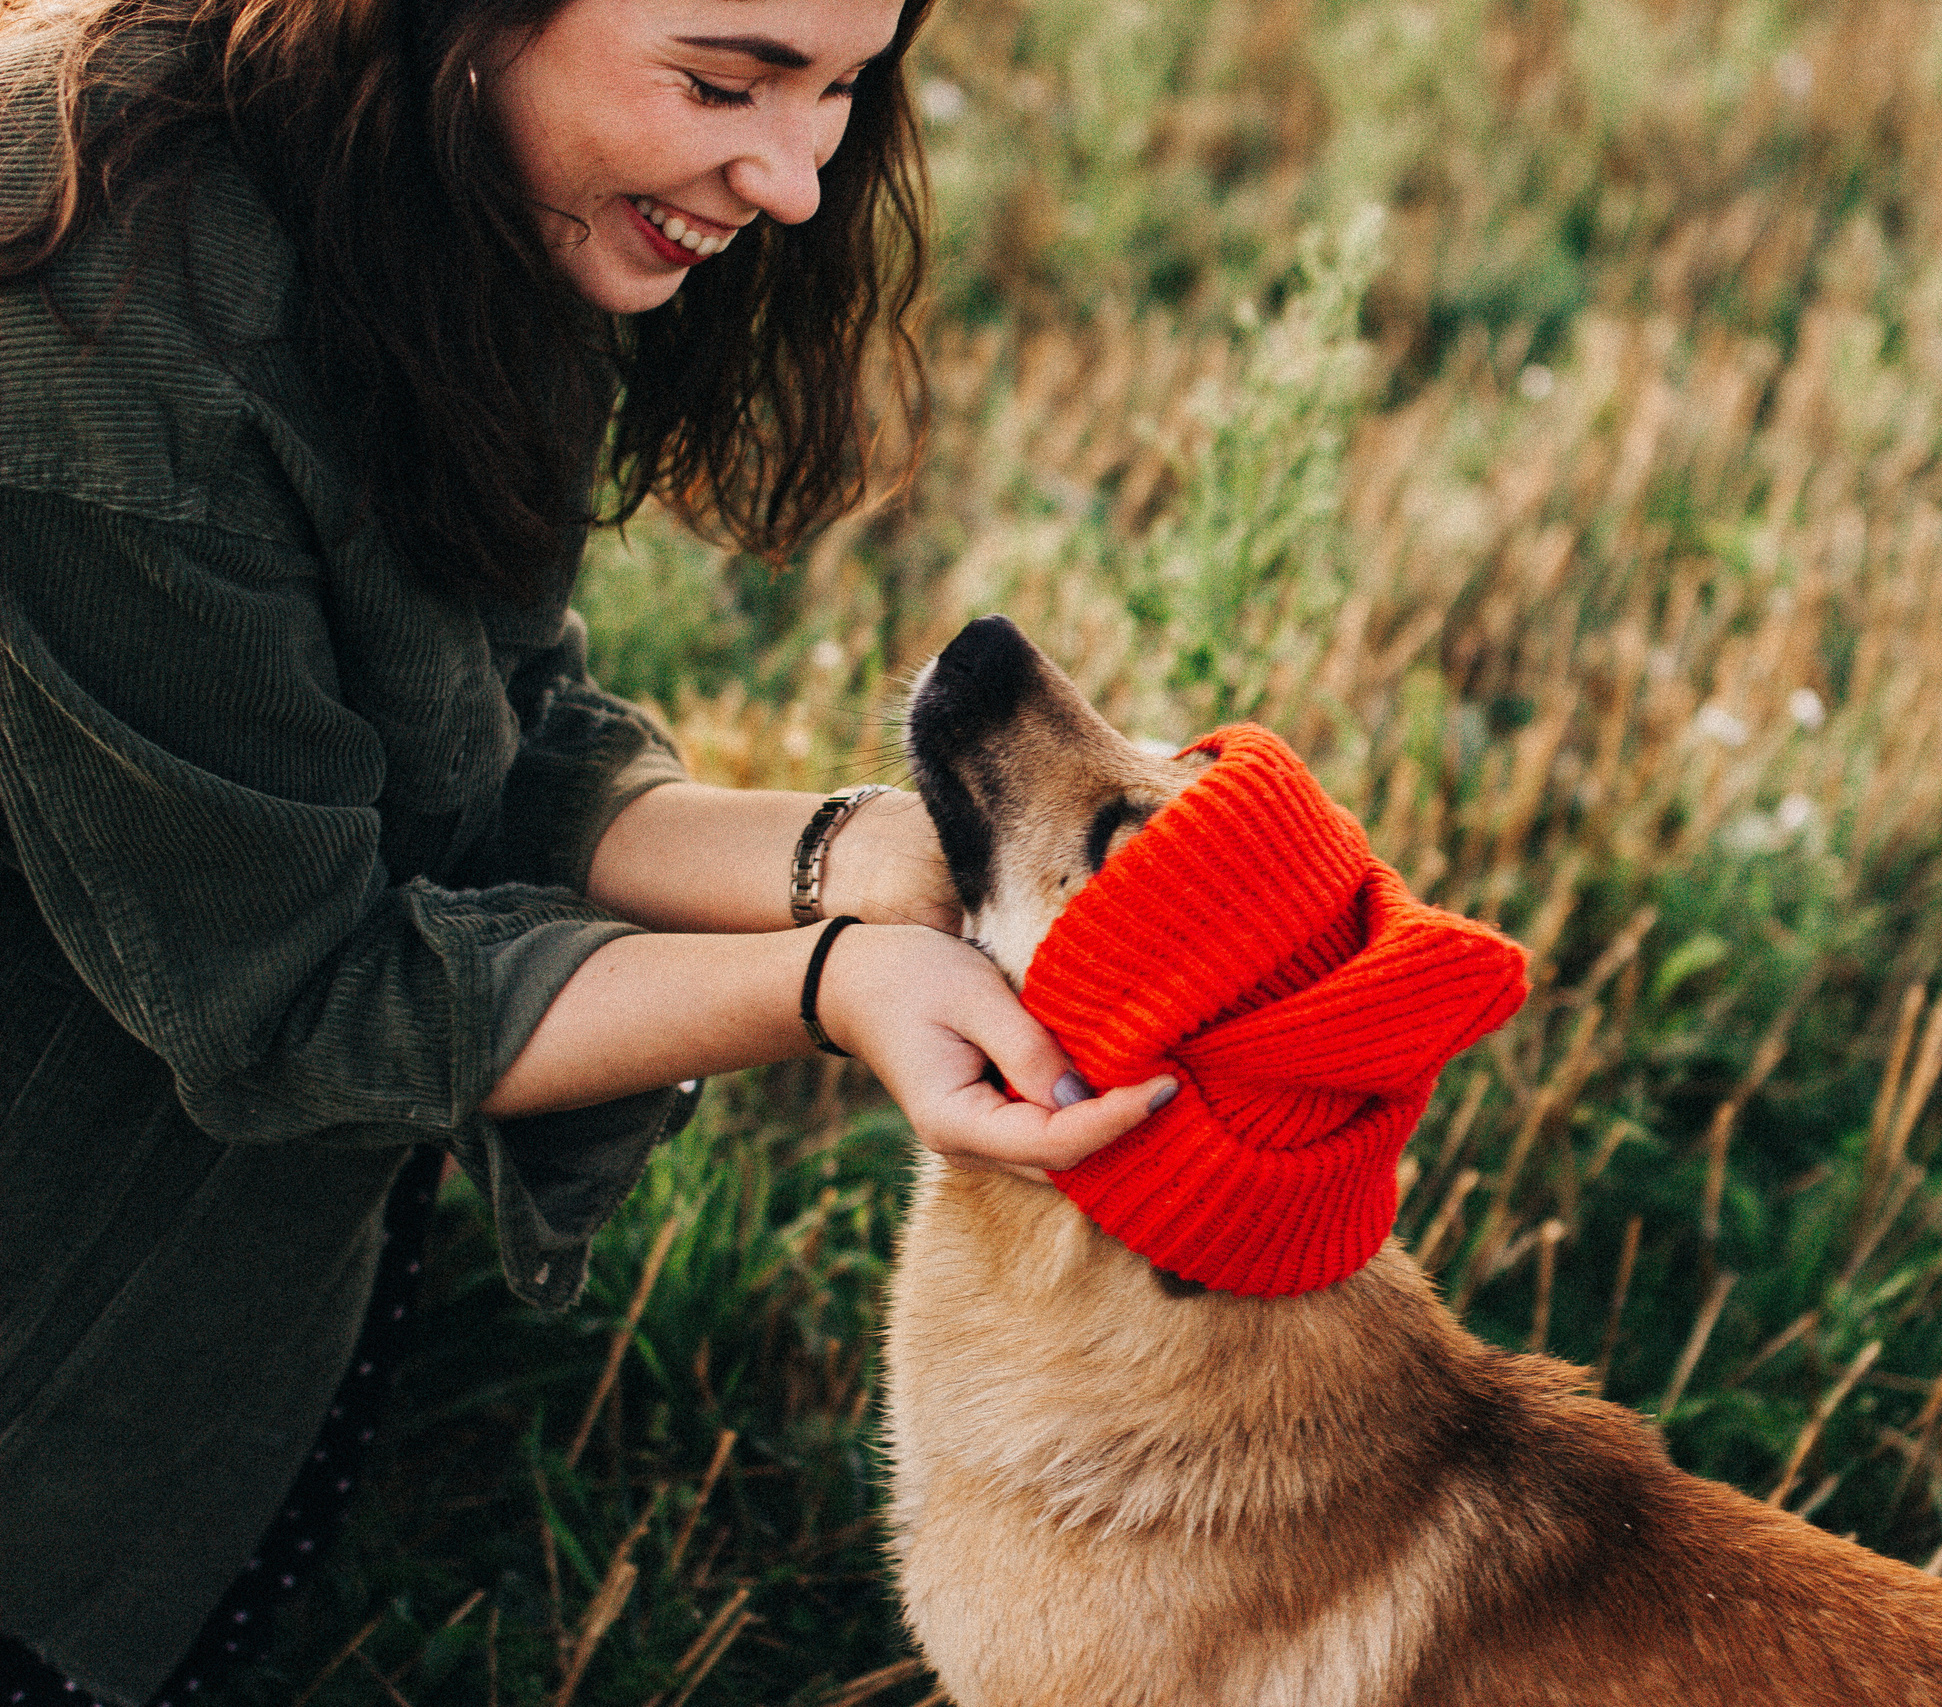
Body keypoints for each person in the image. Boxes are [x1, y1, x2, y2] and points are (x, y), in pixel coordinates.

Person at [0, 1, 1176, 1701]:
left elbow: (479, 731)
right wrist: (831, 987)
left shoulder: (459, 163)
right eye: (723, 81)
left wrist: (858, 860)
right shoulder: (90, 336)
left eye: (843, 88)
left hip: (216, 1263)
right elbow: (297, 1001)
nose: (794, 181)